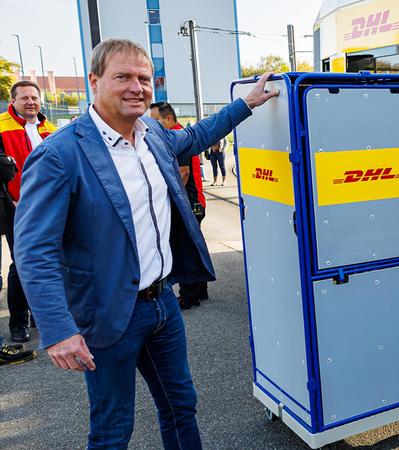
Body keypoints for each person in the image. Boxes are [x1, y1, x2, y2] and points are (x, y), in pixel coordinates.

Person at [14, 38, 277, 448]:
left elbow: (195, 135)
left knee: (181, 406)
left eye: (144, 78)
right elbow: (35, 252)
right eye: (123, 77)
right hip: (106, 315)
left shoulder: (152, 131)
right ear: (95, 81)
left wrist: (246, 104)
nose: (137, 86)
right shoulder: (59, 155)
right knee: (113, 429)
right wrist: (58, 329)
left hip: (162, 305)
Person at [0, 80, 57, 344]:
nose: (30, 102)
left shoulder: (51, 129)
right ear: (13, 101)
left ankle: (40, 315)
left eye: (34, 97)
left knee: (47, 261)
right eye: (24, 98)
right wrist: (10, 199)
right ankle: (18, 322)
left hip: (47, 207)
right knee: (21, 263)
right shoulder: (2, 125)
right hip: (14, 207)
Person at [150, 102, 209, 309]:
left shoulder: (178, 138)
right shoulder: (176, 136)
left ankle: (188, 295)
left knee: (185, 246)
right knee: (194, 243)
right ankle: (200, 290)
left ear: (168, 119)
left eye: (156, 120)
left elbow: (182, 174)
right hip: (195, 201)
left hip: (190, 202)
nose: (152, 126)